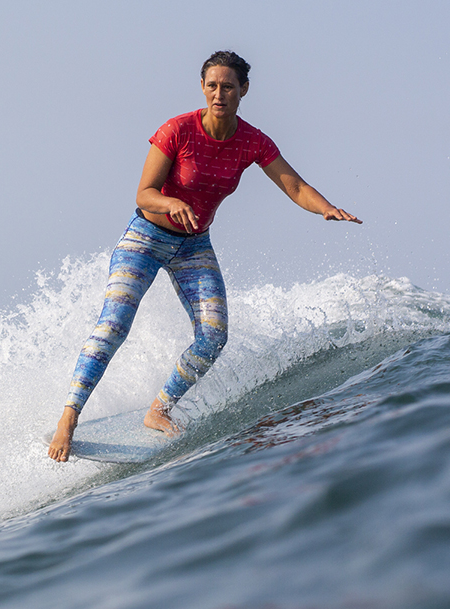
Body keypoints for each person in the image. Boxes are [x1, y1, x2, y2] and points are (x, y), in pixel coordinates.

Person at [48, 50, 361, 462]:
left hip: (194, 245)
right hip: (146, 237)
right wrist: (170, 202)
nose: (219, 94)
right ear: (202, 87)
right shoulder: (177, 130)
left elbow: (295, 186)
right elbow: (144, 194)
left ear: (243, 91)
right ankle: (68, 419)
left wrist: (326, 208)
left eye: (228, 87)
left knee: (214, 335)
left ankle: (159, 410)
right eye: (212, 85)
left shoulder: (252, 141)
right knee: (113, 326)